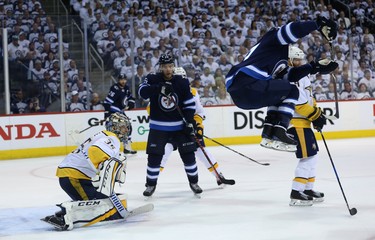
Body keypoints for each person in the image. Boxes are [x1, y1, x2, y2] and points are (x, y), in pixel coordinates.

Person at [225, 17, 338, 152]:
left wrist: (314, 67)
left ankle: (269, 132)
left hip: (241, 95)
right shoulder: (273, 39)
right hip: (245, 83)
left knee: (281, 91)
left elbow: (289, 76)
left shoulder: (274, 58)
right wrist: (318, 24)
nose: (298, 61)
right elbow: (292, 30)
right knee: (292, 91)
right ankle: (280, 130)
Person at [42, 113, 130, 230]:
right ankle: (66, 216)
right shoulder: (112, 138)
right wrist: (102, 168)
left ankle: (66, 212)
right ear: (115, 127)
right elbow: (95, 151)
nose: (126, 130)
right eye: (124, 127)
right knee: (97, 203)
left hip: (74, 174)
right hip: (74, 176)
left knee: (100, 198)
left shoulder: (104, 135)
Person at [138, 54, 202, 197]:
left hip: (179, 127)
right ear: (160, 67)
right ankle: (151, 184)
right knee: (154, 157)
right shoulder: (152, 78)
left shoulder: (182, 81)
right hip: (158, 127)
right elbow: (141, 93)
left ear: (173, 66)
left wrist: (189, 121)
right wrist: (158, 88)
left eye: (170, 66)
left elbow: (189, 103)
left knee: (188, 155)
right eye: (165, 66)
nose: (168, 69)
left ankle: (194, 182)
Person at [159, 67, 235, 186]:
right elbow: (151, 109)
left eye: (182, 77)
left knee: (200, 150)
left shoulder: (192, 92)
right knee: (165, 150)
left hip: (188, 128)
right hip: (172, 128)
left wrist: (198, 127)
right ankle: (152, 181)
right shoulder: (164, 91)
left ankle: (218, 175)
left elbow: (199, 112)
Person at [285, 46, 337, 206]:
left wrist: (317, 114)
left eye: (300, 59)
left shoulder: (304, 76)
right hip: (297, 123)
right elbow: (299, 105)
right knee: (307, 157)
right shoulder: (290, 76)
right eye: (296, 60)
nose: (299, 63)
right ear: (289, 60)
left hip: (305, 122)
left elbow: (309, 99)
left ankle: (307, 189)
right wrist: (315, 116)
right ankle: (296, 192)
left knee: (312, 156)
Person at [104, 74, 137, 154]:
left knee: (128, 127)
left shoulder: (126, 88)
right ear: (118, 80)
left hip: (120, 111)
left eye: (124, 79)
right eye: (121, 79)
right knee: (114, 130)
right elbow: (107, 102)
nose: (123, 81)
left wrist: (131, 103)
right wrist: (107, 113)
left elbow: (130, 97)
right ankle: (112, 149)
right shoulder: (115, 88)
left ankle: (127, 147)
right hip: (113, 111)